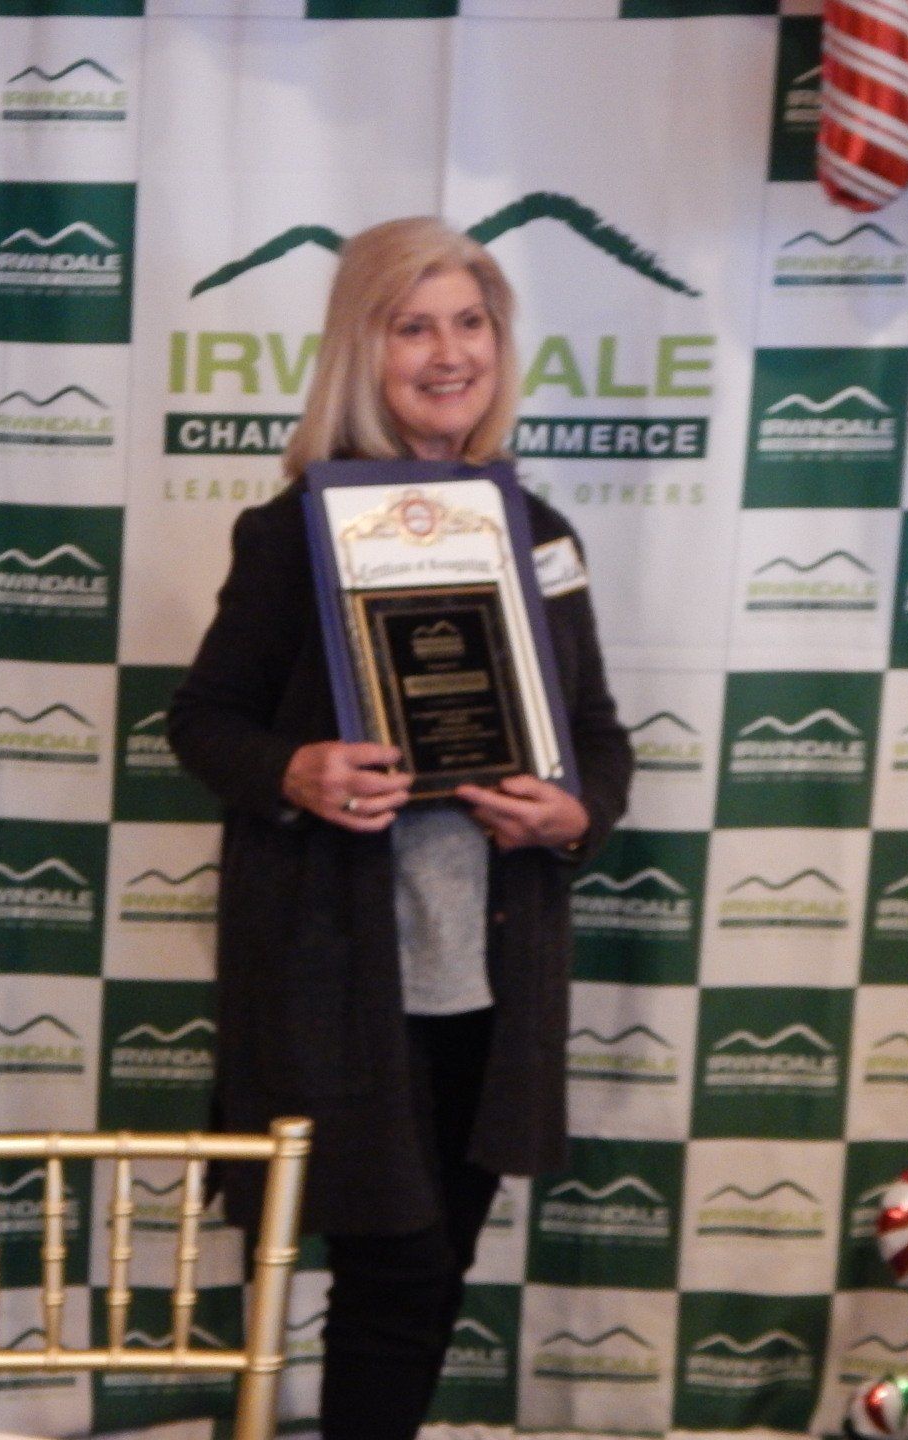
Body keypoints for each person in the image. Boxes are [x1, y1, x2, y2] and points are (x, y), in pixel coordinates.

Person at [167, 217, 633, 1440]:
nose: (448, 353)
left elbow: (598, 736)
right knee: (398, 1273)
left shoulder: (541, 536)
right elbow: (203, 721)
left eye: (470, 323)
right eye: (412, 326)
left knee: (432, 1276)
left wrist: (575, 814)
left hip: (491, 970)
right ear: (360, 351)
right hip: (345, 975)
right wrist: (297, 769)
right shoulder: (289, 532)